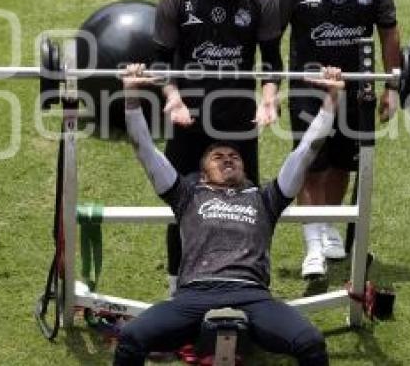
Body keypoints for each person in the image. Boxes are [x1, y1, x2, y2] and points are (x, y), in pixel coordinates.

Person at [113, 64, 342, 366]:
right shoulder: (187, 194)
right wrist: (131, 94)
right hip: (194, 294)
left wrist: (332, 100)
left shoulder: (265, 198)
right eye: (217, 157)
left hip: (252, 294)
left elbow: (306, 152)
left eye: (234, 157)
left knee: (311, 343)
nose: (228, 159)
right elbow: (144, 148)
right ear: (203, 172)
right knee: (131, 339)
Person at [153, 0, 283, 295]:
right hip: (189, 118)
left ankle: (252, 284)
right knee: (182, 204)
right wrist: (173, 99)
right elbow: (161, 62)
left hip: (238, 119)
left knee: (248, 206)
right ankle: (176, 286)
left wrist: (269, 97)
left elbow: (272, 60)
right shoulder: (176, 0)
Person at [275, 0, 401, 278]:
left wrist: (391, 85)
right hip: (307, 90)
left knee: (343, 164)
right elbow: (270, 35)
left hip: (357, 91)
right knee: (311, 166)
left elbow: (389, 30)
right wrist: (270, 88)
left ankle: (329, 228)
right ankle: (312, 245)